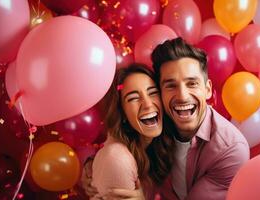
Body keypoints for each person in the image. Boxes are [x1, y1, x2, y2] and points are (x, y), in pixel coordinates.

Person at [82, 38, 250, 200]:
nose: (183, 96)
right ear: (161, 92)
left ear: (207, 90)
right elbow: (121, 144)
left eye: (192, 84)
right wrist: (93, 166)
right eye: (170, 85)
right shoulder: (159, 120)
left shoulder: (231, 150)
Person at [82, 63, 175, 200]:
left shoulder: (165, 139)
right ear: (122, 113)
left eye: (153, 93)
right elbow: (113, 157)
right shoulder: (117, 158)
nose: (148, 104)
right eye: (133, 98)